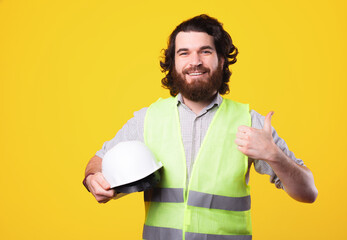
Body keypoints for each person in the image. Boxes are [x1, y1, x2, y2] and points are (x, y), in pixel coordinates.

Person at [84, 14, 318, 239]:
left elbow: (308, 193)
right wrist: (93, 178)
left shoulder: (250, 122)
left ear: (222, 60)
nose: (194, 61)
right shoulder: (148, 119)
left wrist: (274, 155)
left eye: (205, 51)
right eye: (184, 53)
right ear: (173, 62)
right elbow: (99, 161)